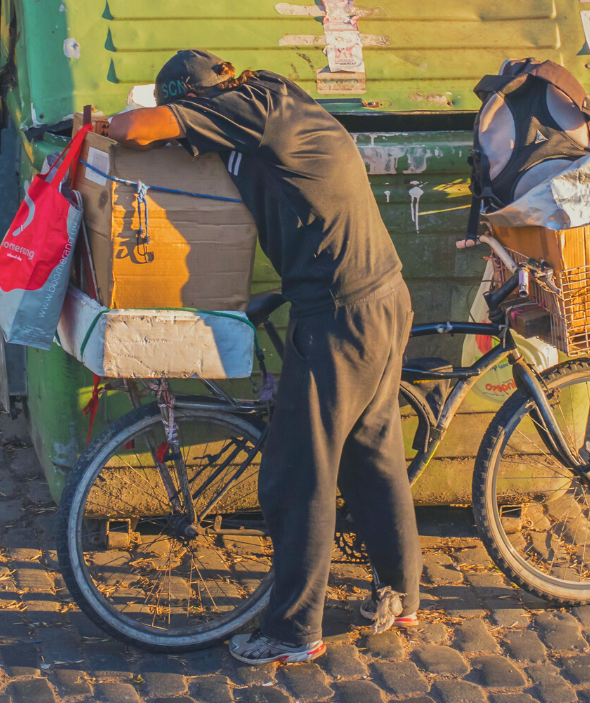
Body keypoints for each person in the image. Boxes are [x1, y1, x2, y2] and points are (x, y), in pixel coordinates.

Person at [107, 49, 421, 665]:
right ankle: (402, 594)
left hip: (336, 316)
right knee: (373, 453)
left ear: (196, 101)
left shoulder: (248, 112)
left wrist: (99, 124)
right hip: (381, 297)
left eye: (184, 111)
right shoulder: (272, 97)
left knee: (296, 475)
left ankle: (292, 632)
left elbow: (137, 128)